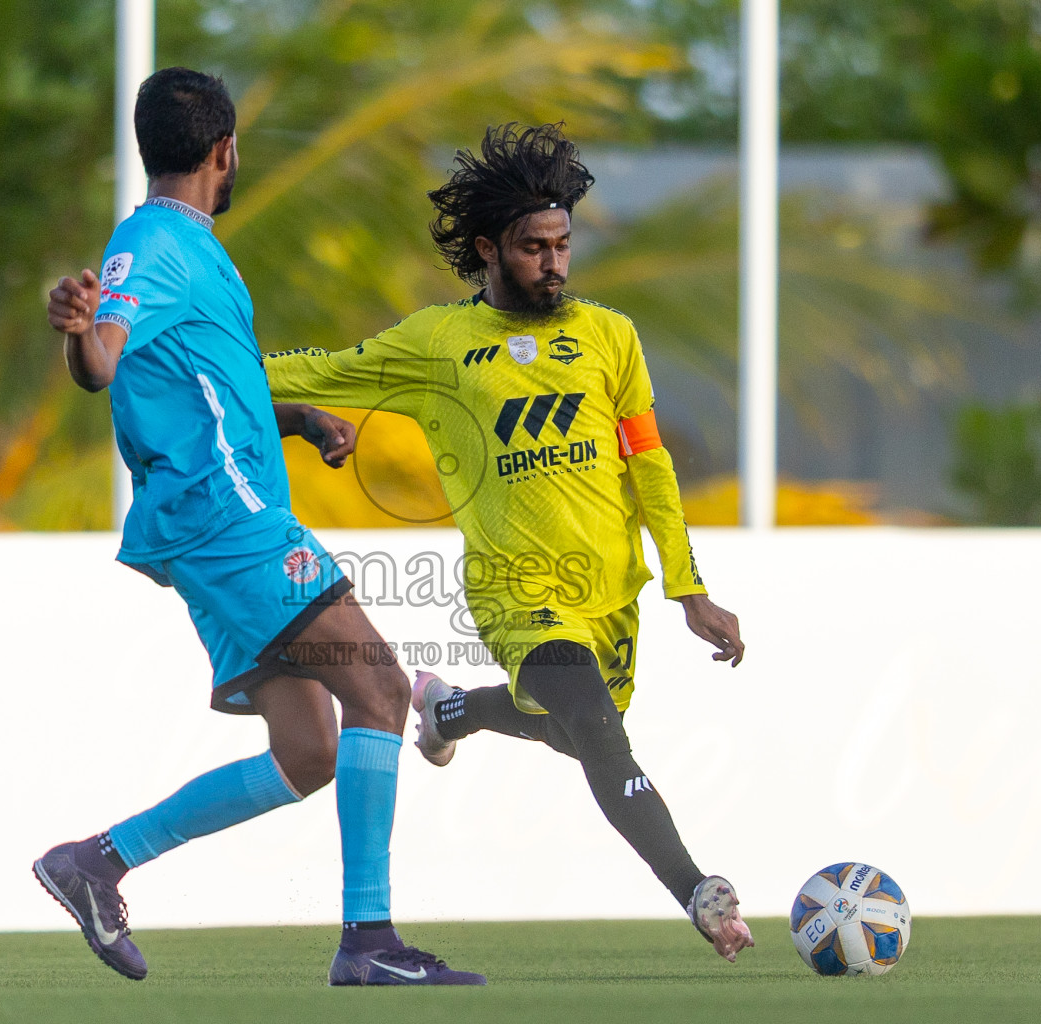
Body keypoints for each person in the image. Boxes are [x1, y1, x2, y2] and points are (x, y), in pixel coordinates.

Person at [261, 123, 756, 963]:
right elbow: (305, 370)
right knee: (597, 731)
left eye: (564, 244)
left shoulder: (610, 337)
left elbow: (653, 467)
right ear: (489, 248)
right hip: (517, 593)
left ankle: (452, 708)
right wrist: (173, 357)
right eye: (535, 248)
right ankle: (700, 893)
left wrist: (687, 586)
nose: (555, 263)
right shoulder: (436, 345)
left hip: (611, 595)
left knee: (568, 730)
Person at [40, 67, 482, 986]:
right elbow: (104, 364)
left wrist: (295, 419)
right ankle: (370, 942)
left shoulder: (186, 247)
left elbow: (194, 386)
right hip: (226, 521)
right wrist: (80, 332)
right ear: (224, 150)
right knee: (380, 691)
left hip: (216, 514)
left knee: (310, 751)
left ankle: (100, 862)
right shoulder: (154, 243)